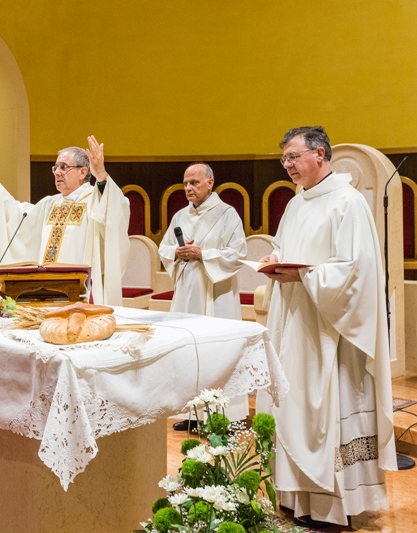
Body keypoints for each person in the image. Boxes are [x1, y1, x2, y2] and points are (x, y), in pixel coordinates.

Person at [255, 126, 396, 528]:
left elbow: (356, 271)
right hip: (294, 322)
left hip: (330, 329)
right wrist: (275, 259)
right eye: (284, 159)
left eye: (293, 157)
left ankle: (330, 506)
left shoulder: (348, 202)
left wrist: (304, 275)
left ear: (319, 154)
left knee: (325, 408)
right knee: (291, 404)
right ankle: (292, 496)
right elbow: (284, 246)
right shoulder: (296, 203)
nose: (287, 165)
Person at [0, 135, 130, 305]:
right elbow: (17, 217)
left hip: (81, 295)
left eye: (63, 167)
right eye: (55, 167)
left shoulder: (95, 200)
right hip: (44, 290)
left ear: (83, 172)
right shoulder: (50, 203)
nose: (57, 172)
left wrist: (101, 175)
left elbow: (116, 212)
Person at [158, 163, 248, 431]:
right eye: (185, 183)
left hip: (216, 295)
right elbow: (164, 247)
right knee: (188, 352)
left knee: (217, 354)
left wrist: (204, 255)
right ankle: (193, 415)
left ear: (210, 183)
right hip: (186, 293)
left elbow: (238, 253)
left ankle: (223, 416)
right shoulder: (180, 216)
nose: (188, 188)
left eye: (194, 183)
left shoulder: (227, 214)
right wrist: (176, 253)